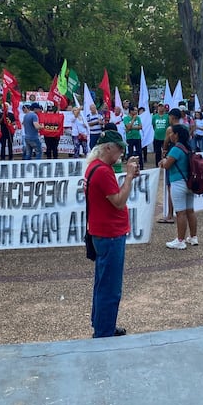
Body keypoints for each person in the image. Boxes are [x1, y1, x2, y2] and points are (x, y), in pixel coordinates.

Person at [85, 130, 140, 338]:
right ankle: (103, 331)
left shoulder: (96, 167)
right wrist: (128, 177)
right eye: (119, 148)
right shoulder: (102, 171)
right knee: (110, 287)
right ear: (108, 147)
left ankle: (102, 324)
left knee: (103, 282)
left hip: (102, 232)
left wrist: (128, 177)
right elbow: (118, 202)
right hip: (110, 234)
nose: (122, 152)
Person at [161, 125, 198, 250]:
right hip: (189, 183)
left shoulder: (176, 149)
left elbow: (166, 165)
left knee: (180, 212)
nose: (170, 135)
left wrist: (163, 161)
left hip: (178, 182)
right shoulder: (188, 147)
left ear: (176, 135)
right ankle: (193, 237)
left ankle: (180, 240)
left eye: (172, 133)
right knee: (190, 211)